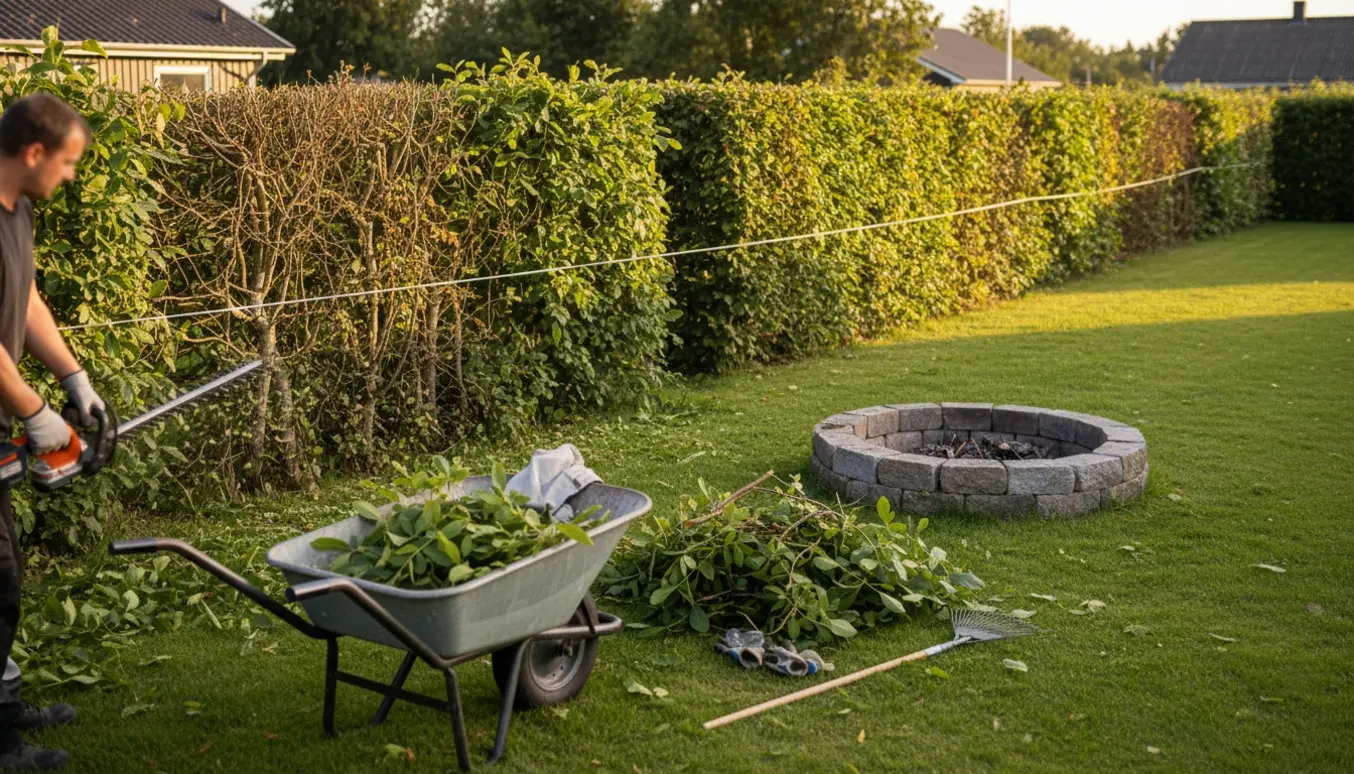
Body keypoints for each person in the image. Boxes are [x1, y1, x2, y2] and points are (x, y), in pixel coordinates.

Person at [0, 94, 108, 771]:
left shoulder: (19, 209)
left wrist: (73, 377)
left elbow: (26, 296)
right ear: (35, 152)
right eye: (67, 163)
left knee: (3, 572)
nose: (70, 176)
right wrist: (38, 415)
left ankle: (4, 703)